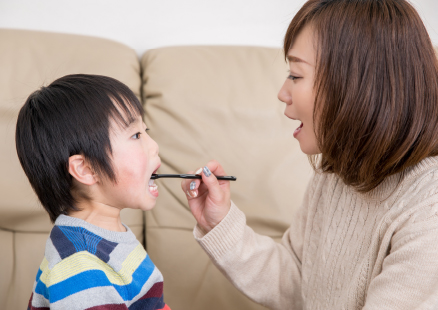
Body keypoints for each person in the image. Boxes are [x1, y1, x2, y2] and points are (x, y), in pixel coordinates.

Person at [182, 0, 438, 309]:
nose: (282, 92)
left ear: (356, 86)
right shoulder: (336, 176)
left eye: (296, 75)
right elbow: (294, 282)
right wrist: (220, 222)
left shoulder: (428, 210)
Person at [16, 74, 170, 310]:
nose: (154, 145)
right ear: (87, 169)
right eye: (136, 135)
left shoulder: (105, 235)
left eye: (145, 130)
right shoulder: (82, 269)